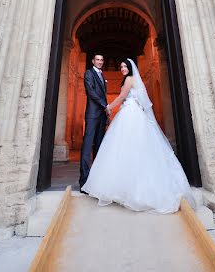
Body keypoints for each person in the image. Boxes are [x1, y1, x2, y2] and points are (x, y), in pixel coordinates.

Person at [81, 58, 195, 213]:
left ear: (130, 67)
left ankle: (129, 188)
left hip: (129, 114)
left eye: (124, 66)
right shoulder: (132, 79)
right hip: (131, 112)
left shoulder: (129, 79)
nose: (122, 69)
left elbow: (122, 97)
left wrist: (109, 108)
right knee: (131, 148)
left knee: (125, 147)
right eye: (120, 66)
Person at [79, 53, 108, 191]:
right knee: (87, 146)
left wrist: (106, 112)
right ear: (93, 61)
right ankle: (84, 182)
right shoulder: (88, 73)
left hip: (102, 115)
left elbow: (103, 94)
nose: (100, 61)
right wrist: (105, 105)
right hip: (92, 114)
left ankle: (95, 181)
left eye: (102, 60)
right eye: (97, 59)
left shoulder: (102, 75)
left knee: (99, 147)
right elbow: (91, 92)